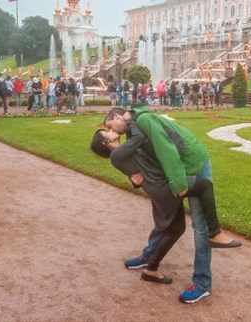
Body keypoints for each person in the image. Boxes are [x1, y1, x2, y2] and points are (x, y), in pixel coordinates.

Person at [103, 106, 241, 304]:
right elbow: (143, 160)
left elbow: (166, 149)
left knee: (200, 227)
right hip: (177, 169)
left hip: (193, 165)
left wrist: (178, 184)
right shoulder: (133, 128)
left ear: (116, 116)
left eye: (111, 126)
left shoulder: (144, 121)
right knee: (163, 216)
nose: (114, 131)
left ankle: (202, 283)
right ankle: (148, 257)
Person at [91, 125, 186, 284]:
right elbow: (140, 138)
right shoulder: (118, 153)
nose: (111, 130)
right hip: (161, 189)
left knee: (163, 225)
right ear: (104, 143)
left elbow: (137, 174)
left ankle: (147, 257)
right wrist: (130, 119)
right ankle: (151, 268)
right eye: (107, 132)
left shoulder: (121, 152)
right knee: (175, 228)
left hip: (156, 189)